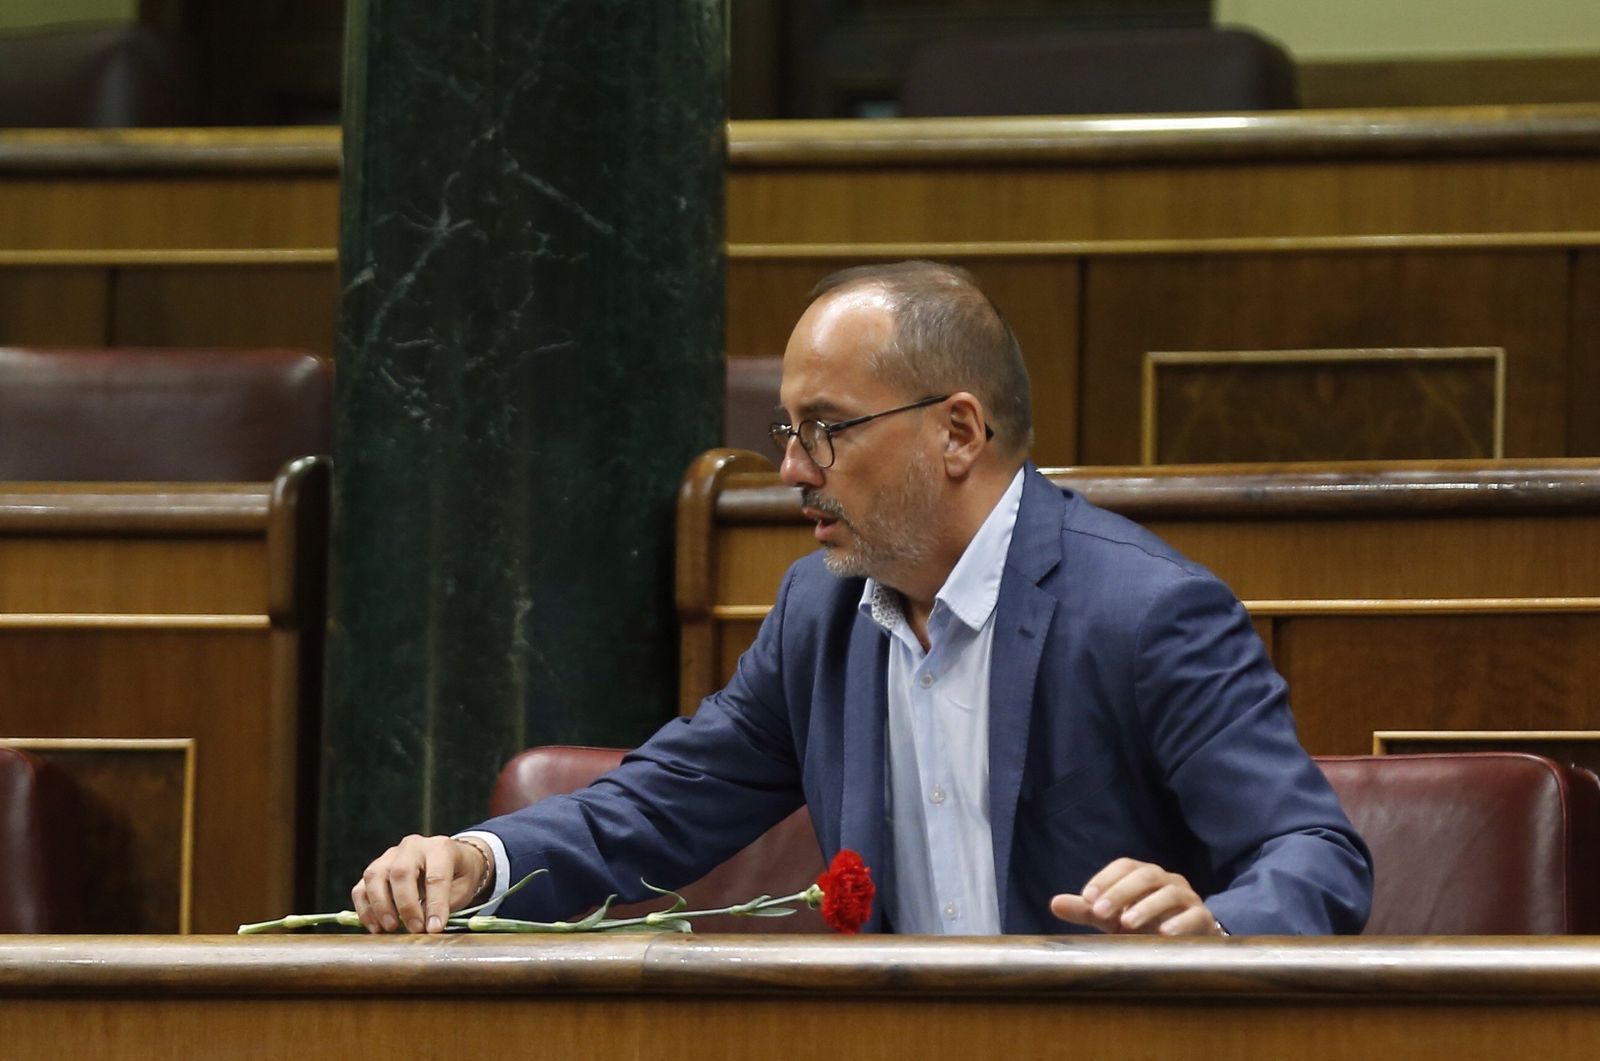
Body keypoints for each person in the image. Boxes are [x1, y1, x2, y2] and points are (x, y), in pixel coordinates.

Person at [353, 261, 1373, 937]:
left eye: (826, 428)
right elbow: (661, 803)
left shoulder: (1145, 611)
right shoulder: (820, 613)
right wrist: (475, 858)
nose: (793, 467)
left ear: (958, 432)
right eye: (786, 430)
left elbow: (1313, 851)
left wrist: (1217, 926)